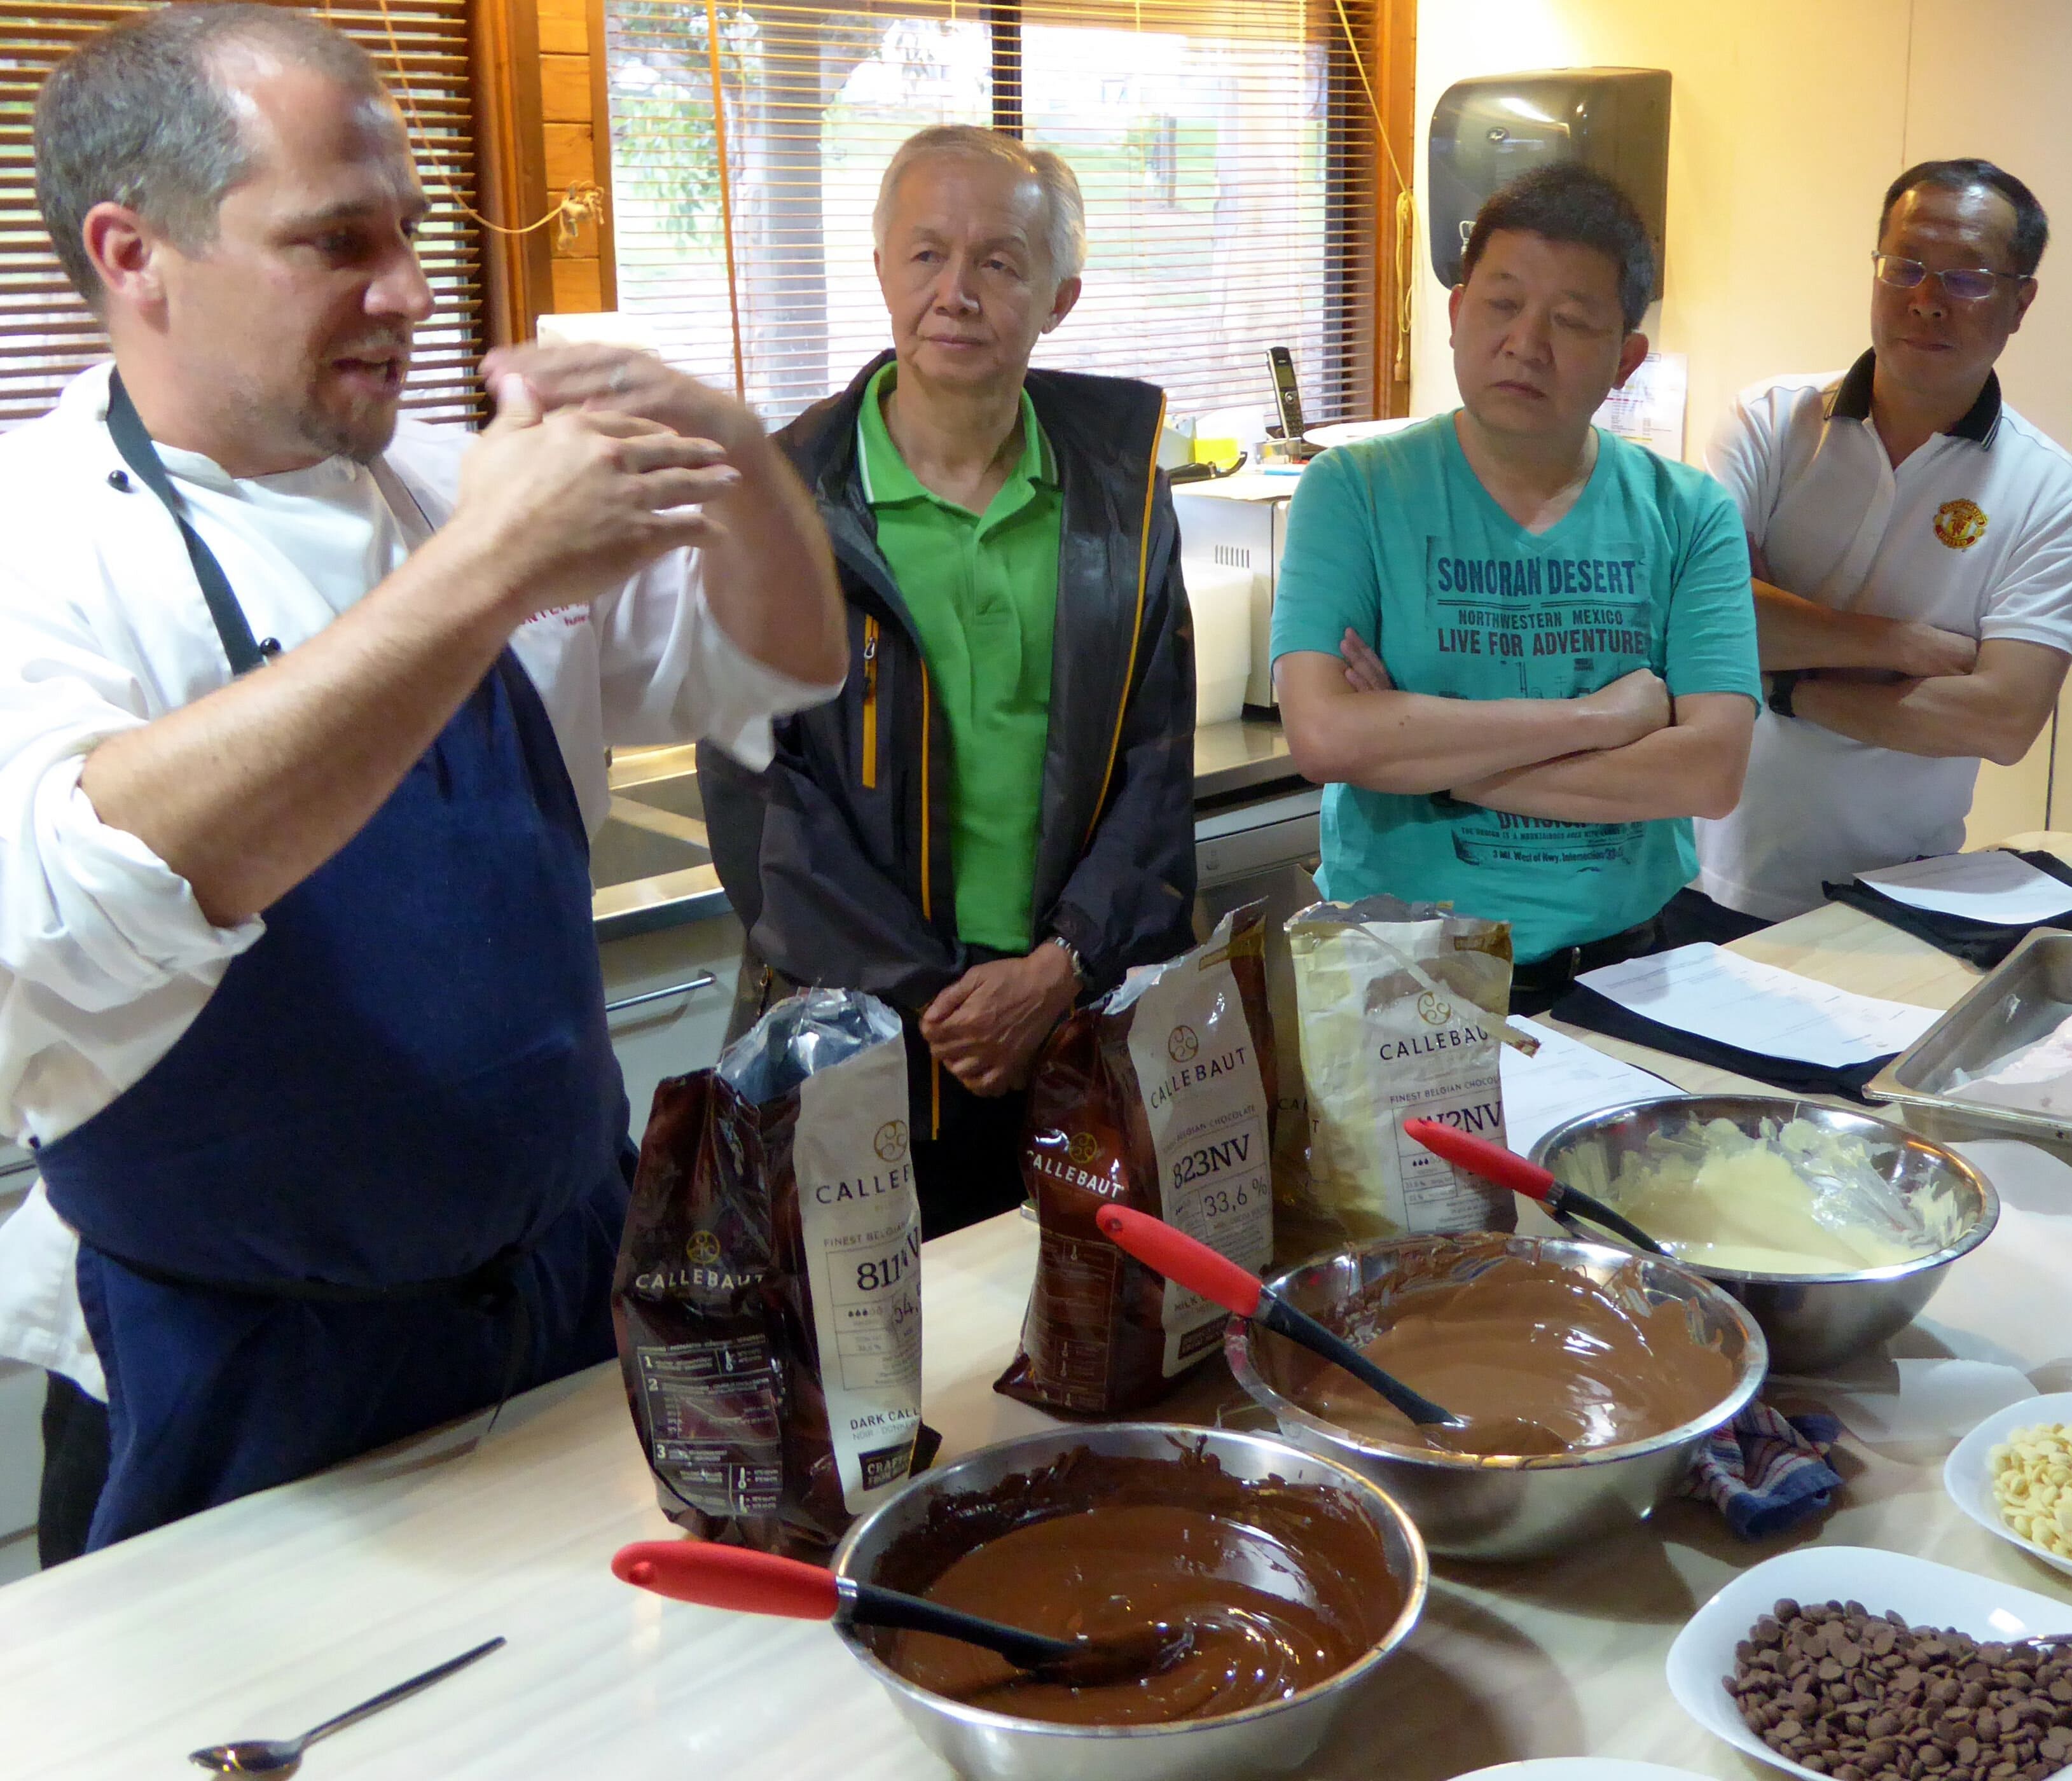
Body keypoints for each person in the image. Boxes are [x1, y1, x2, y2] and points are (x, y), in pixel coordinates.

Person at [0, 3, 844, 1556]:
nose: (410, 293)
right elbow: (71, 901)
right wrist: (480, 577)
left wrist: (725, 433)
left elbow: (779, 663)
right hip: (240, 1380)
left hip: (570, 1313)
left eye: (411, 230)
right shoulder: (42, 540)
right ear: (135, 256)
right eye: (334, 244)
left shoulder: (461, 488)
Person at [698, 126, 1196, 1237]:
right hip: (864, 1051)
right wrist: (943, 999)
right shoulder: (779, 502)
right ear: (881, 269)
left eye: (999, 263)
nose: (956, 294)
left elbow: (1157, 764)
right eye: (926, 256)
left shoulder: (1119, 496)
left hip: (1077, 1027)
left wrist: (1058, 967)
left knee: (1079, 1344)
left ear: (1060, 296)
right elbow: (759, 800)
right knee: (876, 1384)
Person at [1269, 162, 1759, 1013]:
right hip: (1401, 975)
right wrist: (1601, 722)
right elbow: (1326, 736)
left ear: (1626, 359)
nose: (1526, 343)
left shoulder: (1689, 513)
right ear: (1457, 314)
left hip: (1627, 975)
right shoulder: (1354, 490)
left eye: (1571, 320)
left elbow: (1710, 771)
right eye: (1501, 305)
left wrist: (1431, 765)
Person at [1689, 158, 2072, 929]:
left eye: (1967, 278)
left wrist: (1784, 682)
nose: (1927, 301)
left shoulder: (2052, 492)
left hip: (1900, 894)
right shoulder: (1769, 423)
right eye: (1904, 266)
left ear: (2021, 302)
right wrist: (1899, 646)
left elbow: (2001, 720)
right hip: (1695, 867)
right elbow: (1701, 618)